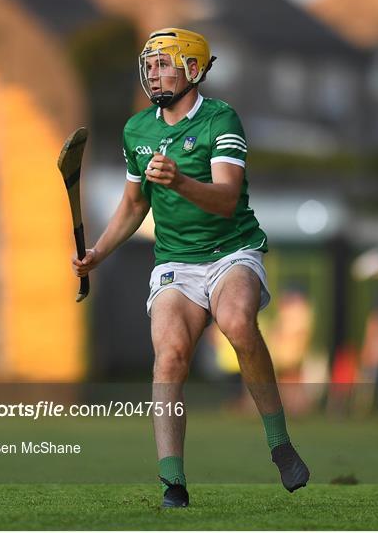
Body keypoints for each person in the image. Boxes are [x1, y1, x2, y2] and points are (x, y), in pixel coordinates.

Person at [72, 28, 309, 507]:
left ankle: (279, 443)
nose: (154, 73)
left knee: (238, 322)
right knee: (170, 356)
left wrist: (179, 180)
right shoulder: (137, 130)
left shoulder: (221, 119)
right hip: (175, 262)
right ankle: (173, 484)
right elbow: (134, 205)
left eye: (165, 63)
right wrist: (99, 251)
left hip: (231, 251)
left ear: (194, 70)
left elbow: (225, 200)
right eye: (151, 64)